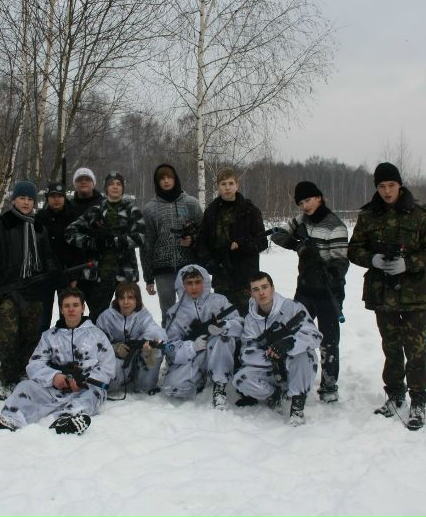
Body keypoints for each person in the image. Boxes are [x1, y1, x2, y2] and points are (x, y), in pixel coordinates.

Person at [348, 162, 426, 430]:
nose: (387, 191)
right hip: (383, 293)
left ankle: (418, 399)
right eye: (381, 186)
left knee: (415, 348)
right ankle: (394, 395)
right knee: (391, 347)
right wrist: (373, 259)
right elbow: (353, 249)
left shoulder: (420, 213)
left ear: (400, 185)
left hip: (413, 294)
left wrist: (410, 263)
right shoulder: (368, 216)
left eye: (391, 185)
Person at [0, 288, 116, 434]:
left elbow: (107, 367)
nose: (71, 310)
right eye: (67, 306)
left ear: (83, 308)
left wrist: (84, 381)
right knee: (25, 386)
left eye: (75, 305)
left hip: (85, 389)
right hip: (54, 388)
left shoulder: (97, 336)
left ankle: (67, 420)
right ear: (61, 309)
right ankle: (10, 419)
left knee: (92, 395)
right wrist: (54, 377)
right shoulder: (49, 336)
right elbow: (35, 364)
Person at [271, 181, 349, 403]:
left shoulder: (336, 226)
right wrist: (299, 246)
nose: (305, 206)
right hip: (305, 289)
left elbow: (341, 261)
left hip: (329, 292)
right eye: (301, 202)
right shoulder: (300, 221)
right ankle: (291, 377)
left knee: (329, 341)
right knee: (294, 333)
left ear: (319, 198)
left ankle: (329, 385)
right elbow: (277, 235)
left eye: (308, 200)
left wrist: (331, 274)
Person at [0, 181, 60, 396]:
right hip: (9, 289)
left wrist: (53, 269)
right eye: (22, 198)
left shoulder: (38, 226)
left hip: (34, 290)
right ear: (14, 200)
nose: (26, 203)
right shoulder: (0, 225)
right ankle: (8, 377)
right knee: (8, 336)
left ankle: (26, 373)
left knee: (31, 336)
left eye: (30, 199)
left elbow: (47, 255)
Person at [232, 272, 322, 426]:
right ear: (251, 293)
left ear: (272, 288)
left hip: (293, 364)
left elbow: (315, 336)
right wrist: (271, 356)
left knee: (305, 355)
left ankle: (297, 406)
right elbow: (246, 352)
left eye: (265, 287)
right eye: (256, 289)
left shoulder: (293, 308)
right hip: (270, 366)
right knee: (240, 379)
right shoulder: (250, 319)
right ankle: (275, 395)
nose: (261, 293)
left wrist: (289, 344)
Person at [160, 265, 243, 409]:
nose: (194, 287)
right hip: (193, 356)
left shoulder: (220, 301)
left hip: (219, 352)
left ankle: (219, 386)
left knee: (223, 339)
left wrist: (225, 326)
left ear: (204, 282)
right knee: (173, 387)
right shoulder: (175, 312)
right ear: (182, 285)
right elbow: (170, 347)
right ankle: (200, 378)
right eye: (189, 283)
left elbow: (240, 324)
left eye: (198, 282)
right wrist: (192, 347)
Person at [65, 171, 145, 321]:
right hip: (100, 275)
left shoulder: (131, 210)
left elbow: (140, 237)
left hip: (125, 274)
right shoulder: (96, 210)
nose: (115, 187)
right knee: (99, 317)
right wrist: (91, 242)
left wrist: (115, 241)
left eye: (118, 184)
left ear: (123, 188)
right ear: (106, 188)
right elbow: (70, 233)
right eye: (111, 184)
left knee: (129, 315)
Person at [194, 167, 267, 316]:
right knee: (224, 320)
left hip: (246, 277)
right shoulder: (211, 212)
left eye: (230, 183)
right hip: (221, 277)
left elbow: (262, 242)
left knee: (249, 318)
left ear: (237, 185)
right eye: (223, 184)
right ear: (217, 186)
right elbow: (202, 243)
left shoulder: (250, 211)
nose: (227, 187)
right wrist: (210, 263)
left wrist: (242, 245)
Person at [140, 163, 203, 324]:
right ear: (157, 182)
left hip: (189, 267)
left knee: (193, 310)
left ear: (176, 179)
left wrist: (192, 240)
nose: (166, 181)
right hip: (163, 270)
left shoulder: (191, 203)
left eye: (170, 177)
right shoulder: (150, 209)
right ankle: (170, 346)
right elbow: (147, 243)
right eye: (162, 178)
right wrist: (148, 278)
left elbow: (203, 233)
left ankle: (193, 345)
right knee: (168, 313)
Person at [96, 281, 167, 394]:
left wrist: (147, 347)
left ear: (137, 299)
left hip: (137, 356)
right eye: (121, 298)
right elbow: (95, 343)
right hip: (116, 359)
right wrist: (115, 348)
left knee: (155, 349)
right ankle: (123, 377)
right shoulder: (106, 317)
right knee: (110, 385)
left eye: (130, 297)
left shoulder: (143, 316)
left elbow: (156, 333)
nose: (125, 302)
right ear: (117, 300)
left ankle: (143, 381)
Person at [36, 181, 85, 333]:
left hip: (67, 274)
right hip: (45, 275)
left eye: (59, 196)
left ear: (64, 198)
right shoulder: (40, 218)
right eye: (52, 196)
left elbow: (79, 249)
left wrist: (75, 277)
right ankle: (40, 347)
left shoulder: (74, 217)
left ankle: (67, 344)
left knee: (67, 314)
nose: (56, 199)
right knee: (43, 317)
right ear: (47, 198)